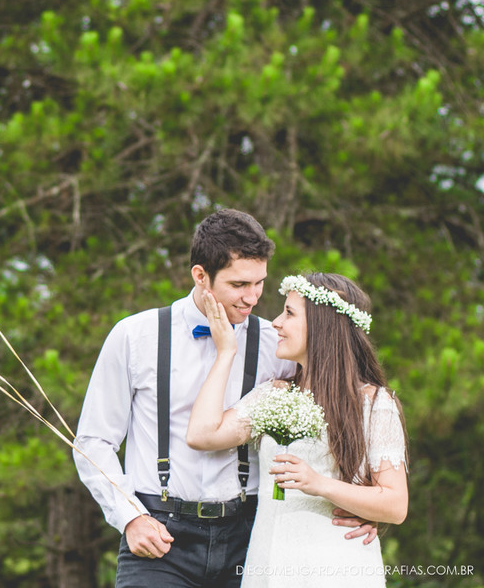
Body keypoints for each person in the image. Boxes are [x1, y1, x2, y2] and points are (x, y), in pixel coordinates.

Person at [73, 209, 376, 587]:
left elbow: (334, 414)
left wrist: (362, 502)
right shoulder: (135, 337)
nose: (252, 298)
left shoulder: (276, 343)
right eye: (239, 284)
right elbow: (93, 441)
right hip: (159, 535)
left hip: (249, 538)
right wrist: (129, 516)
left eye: (259, 283)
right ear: (201, 276)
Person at [187, 272, 408, 586]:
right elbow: (202, 435)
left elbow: (396, 505)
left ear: (323, 327)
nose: (276, 322)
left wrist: (319, 484)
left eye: (289, 313)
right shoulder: (275, 394)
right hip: (268, 561)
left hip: (337, 566)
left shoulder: (373, 403)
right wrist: (225, 353)